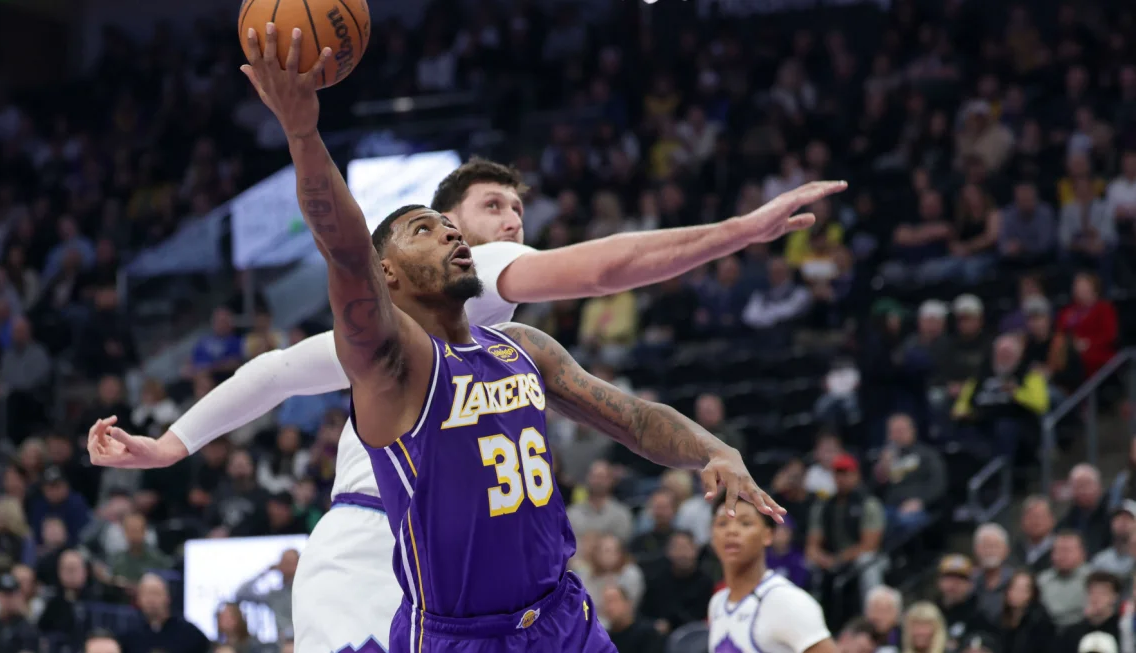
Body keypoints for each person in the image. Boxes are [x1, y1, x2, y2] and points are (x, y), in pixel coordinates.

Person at [86, 24, 843, 653]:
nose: (501, 228)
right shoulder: (392, 350)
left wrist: (711, 447)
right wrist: (303, 132)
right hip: (387, 561)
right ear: (395, 267)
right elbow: (315, 307)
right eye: (475, 213)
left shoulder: (518, 344)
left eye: (511, 213)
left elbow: (628, 414)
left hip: (554, 611)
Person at [708, 498, 835, 653]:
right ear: (712, 536)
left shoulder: (785, 601)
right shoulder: (717, 603)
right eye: (722, 523)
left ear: (768, 535)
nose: (731, 531)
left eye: (745, 523)